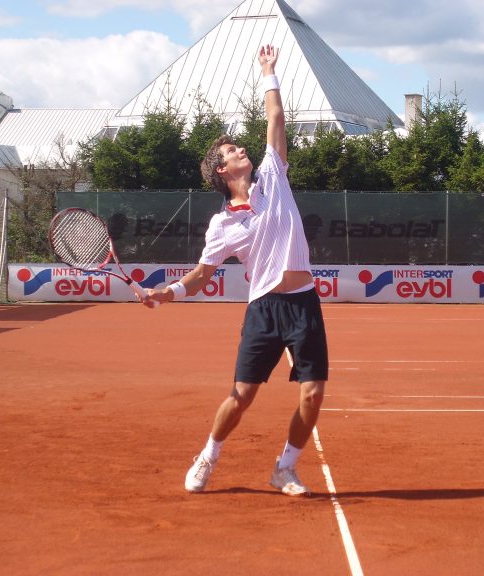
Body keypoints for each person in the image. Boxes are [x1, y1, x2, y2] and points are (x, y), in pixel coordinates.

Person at [143, 45, 329, 496]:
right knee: (242, 396)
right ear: (222, 171)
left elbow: (277, 119)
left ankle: (285, 467)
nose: (240, 148)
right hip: (264, 310)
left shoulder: (274, 176)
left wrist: (269, 73)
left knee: (313, 392)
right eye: (231, 150)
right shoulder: (223, 225)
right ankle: (209, 454)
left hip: (303, 302)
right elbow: (202, 276)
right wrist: (167, 293)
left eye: (238, 145)